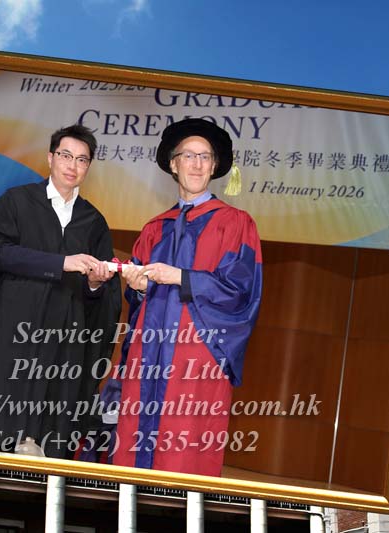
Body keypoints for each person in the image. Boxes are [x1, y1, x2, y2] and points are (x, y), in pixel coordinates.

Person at [0, 124, 122, 458]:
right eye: (65, 155)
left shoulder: (93, 221)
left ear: (89, 167)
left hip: (64, 341)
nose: (72, 165)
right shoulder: (17, 201)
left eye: (82, 160)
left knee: (49, 430)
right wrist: (61, 263)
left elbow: (101, 300)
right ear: (50, 158)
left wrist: (94, 283)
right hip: (12, 332)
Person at [111, 118, 263, 477]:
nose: (197, 164)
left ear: (214, 166)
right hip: (149, 352)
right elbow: (138, 301)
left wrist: (181, 277)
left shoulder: (235, 223)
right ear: (173, 164)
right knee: (134, 445)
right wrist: (138, 286)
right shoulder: (154, 228)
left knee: (183, 453)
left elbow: (241, 290)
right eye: (188, 156)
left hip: (198, 353)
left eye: (205, 157)